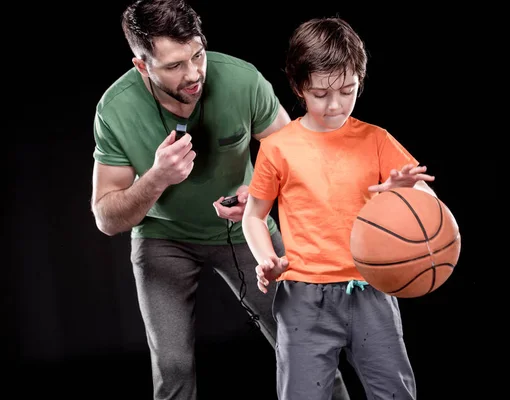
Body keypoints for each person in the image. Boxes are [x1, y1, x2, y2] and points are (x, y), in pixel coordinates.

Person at [90, 1, 351, 399]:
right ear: (142, 66)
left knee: (305, 344)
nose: (194, 73)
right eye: (175, 65)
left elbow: (299, 158)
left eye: (198, 54)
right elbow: (107, 217)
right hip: (163, 238)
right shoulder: (115, 109)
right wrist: (157, 178)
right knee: (172, 366)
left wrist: (263, 194)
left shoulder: (242, 81)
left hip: (243, 229)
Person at [242, 17, 438, 400]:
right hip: (303, 297)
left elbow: (429, 204)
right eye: (320, 94)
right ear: (299, 87)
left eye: (347, 91)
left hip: (371, 290)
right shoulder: (279, 147)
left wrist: (404, 193)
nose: (335, 105)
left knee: (395, 393)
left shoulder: (377, 139)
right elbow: (253, 215)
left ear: (359, 82)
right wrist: (266, 258)